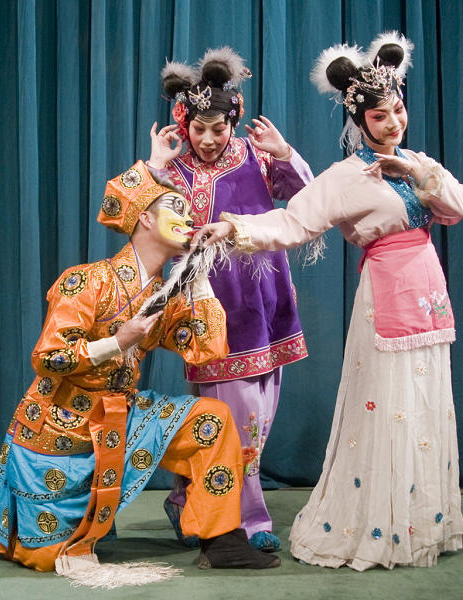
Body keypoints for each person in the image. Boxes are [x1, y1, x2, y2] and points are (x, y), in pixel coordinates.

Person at [192, 32, 463, 570]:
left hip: (428, 295)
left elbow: (457, 206)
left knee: (426, 402)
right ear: (359, 121)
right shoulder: (346, 177)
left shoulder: (418, 161)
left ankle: (422, 521)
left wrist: (415, 171)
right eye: (379, 117)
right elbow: (293, 222)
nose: (392, 123)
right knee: (387, 405)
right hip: (385, 296)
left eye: (397, 111)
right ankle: (379, 521)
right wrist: (232, 228)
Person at [0, 160, 280, 584]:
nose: (189, 220)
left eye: (190, 214)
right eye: (176, 210)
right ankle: (15, 515)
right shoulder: (87, 281)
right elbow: (48, 356)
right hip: (61, 426)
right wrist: (117, 341)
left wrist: (197, 276)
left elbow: (207, 350)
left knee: (212, 419)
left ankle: (222, 541)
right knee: (47, 557)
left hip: (119, 417)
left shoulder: (166, 298)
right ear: (144, 218)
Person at [146, 47, 314, 552]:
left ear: (233, 122)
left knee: (255, 420)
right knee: (232, 422)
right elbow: (138, 220)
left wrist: (284, 153)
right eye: (199, 129)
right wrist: (153, 168)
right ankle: (245, 522)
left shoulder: (258, 156)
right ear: (184, 124)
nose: (208, 139)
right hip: (213, 309)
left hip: (267, 300)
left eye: (218, 129)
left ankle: (187, 500)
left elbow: (308, 204)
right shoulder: (175, 171)